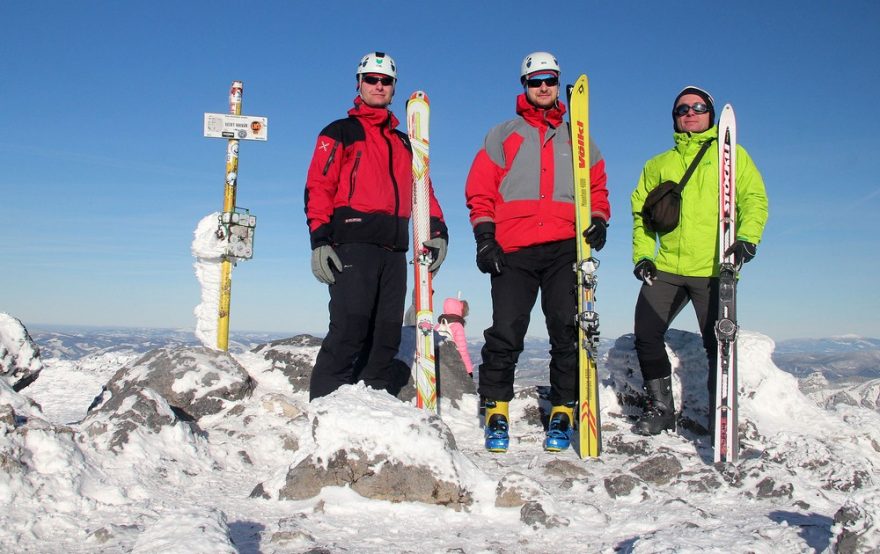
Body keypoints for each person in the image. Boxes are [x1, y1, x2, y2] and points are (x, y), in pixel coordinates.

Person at [465, 52, 610, 453]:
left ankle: (563, 410)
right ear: (524, 86)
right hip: (513, 249)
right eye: (534, 81)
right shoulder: (503, 134)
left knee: (566, 329)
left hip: (566, 248)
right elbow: (481, 190)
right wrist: (485, 237)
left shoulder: (577, 138)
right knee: (506, 330)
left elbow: (597, 186)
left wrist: (599, 218)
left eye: (549, 80)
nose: (542, 87)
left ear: (557, 83)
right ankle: (496, 410)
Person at [305, 51, 448, 401]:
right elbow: (318, 186)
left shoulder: (403, 143)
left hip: (395, 249)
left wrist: (438, 231)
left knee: (385, 338)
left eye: (386, 81)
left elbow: (422, 189)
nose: (378, 85)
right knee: (349, 329)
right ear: (359, 83)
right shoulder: (339, 131)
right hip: (352, 244)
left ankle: (373, 412)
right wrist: (320, 238)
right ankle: (322, 411)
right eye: (371, 79)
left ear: (394, 87)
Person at [630, 86, 769, 435]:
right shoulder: (658, 164)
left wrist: (748, 238)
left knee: (718, 345)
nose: (690, 113)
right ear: (675, 119)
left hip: (713, 270)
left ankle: (719, 415)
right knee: (646, 333)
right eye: (682, 110)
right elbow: (641, 216)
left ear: (710, 113)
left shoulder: (731, 156)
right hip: (668, 269)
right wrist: (643, 255)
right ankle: (661, 407)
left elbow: (754, 199)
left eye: (697, 107)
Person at [436, 296, 475, 376]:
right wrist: (469, 370)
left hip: (438, 364)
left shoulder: (438, 326)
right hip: (453, 366)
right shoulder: (457, 326)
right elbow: (462, 350)